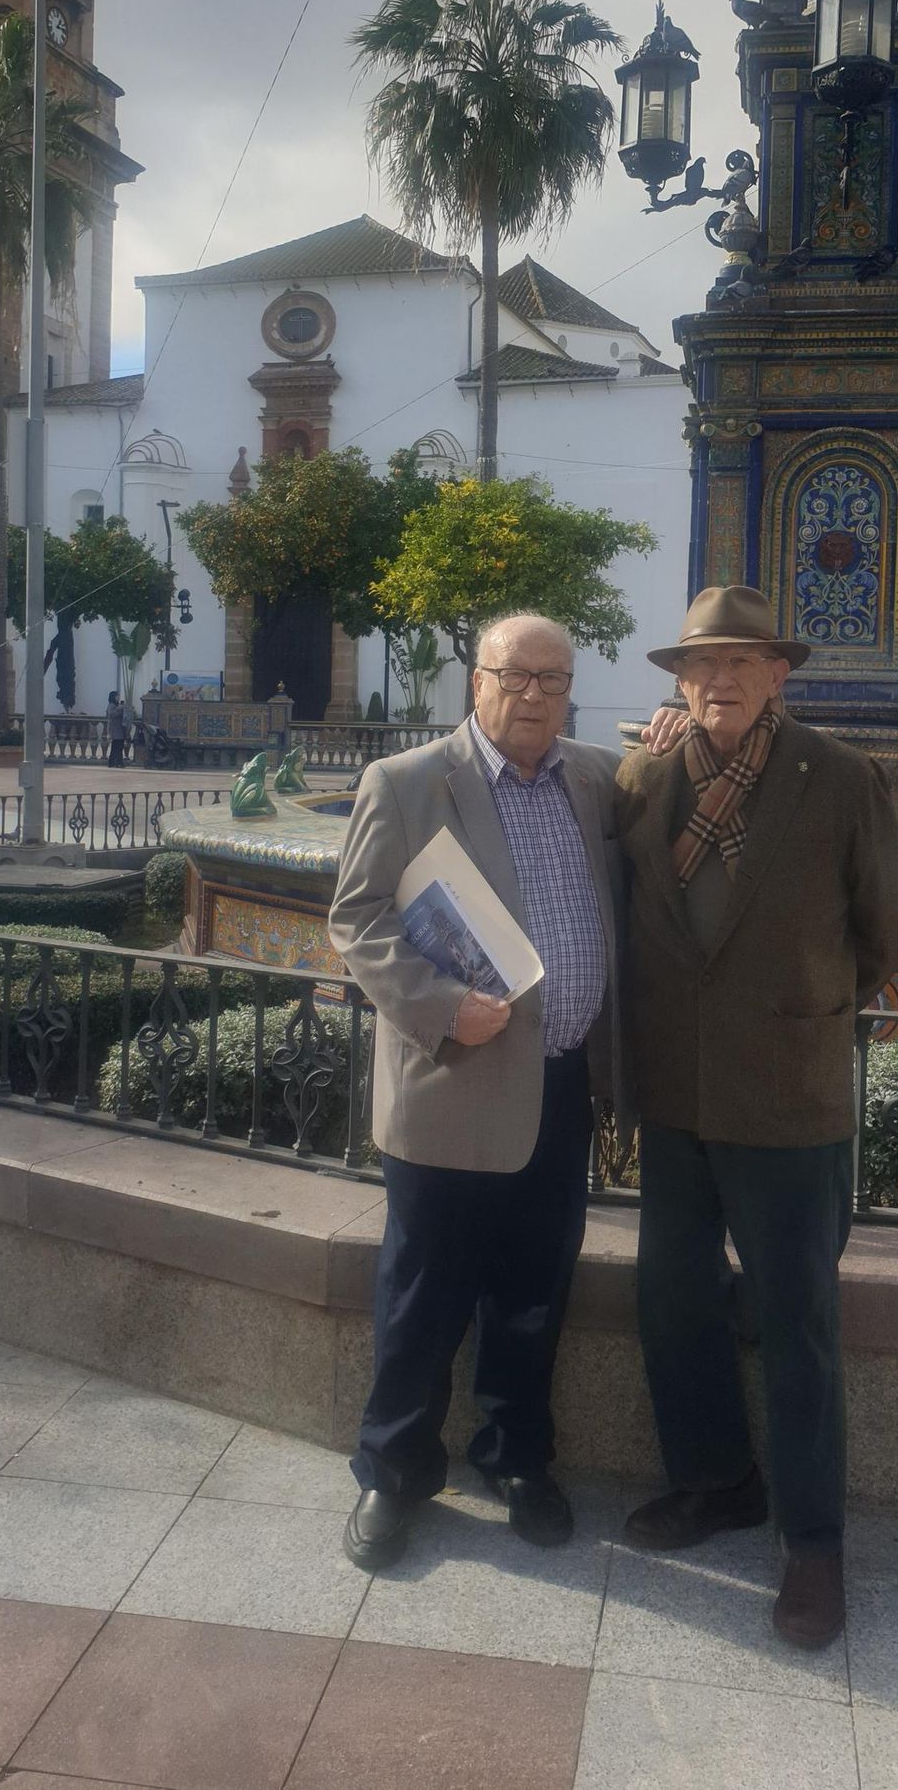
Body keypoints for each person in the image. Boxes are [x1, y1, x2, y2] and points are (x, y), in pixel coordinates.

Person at [614, 585, 898, 1652]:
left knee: (797, 1324)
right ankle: (714, 1482)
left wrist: (800, 1010)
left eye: (741, 663)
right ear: (679, 680)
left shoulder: (836, 779)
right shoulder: (645, 776)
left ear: (779, 675)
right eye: (701, 665)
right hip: (678, 1091)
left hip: (787, 1090)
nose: (719, 681)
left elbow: (883, 930)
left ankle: (813, 1542)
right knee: (673, 1300)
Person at [328, 613, 626, 1574]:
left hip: (560, 1083)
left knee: (535, 1291)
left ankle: (515, 1458)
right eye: (516, 674)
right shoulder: (409, 783)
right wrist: (441, 1004)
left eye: (554, 676)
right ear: (477, 681)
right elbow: (358, 918)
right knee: (423, 1292)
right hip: (453, 1082)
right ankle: (393, 1470)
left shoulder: (593, 778)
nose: (536, 692)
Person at [105, 691, 128, 769]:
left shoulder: (116, 705)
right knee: (117, 746)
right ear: (113, 697)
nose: (118, 697)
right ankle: (117, 762)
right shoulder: (111, 705)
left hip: (119, 729)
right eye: (117, 696)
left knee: (117, 746)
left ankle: (114, 762)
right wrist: (119, 708)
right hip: (115, 729)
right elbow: (111, 714)